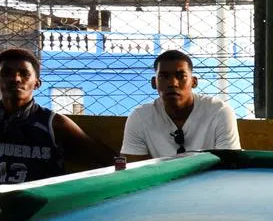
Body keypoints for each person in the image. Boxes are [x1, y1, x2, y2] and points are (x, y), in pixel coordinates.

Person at [0, 47, 116, 182]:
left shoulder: (53, 123)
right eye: (6, 73)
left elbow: (106, 158)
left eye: (24, 73)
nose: (16, 79)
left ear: (37, 83)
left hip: (41, 201)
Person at [121, 50, 241, 160]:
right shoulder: (140, 117)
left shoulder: (219, 112)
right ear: (154, 83)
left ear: (194, 82)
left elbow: (228, 164)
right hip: (161, 183)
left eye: (181, 76)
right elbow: (134, 169)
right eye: (164, 77)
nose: (173, 83)